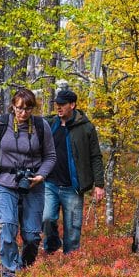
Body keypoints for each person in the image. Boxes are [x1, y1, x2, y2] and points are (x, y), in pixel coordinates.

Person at [0, 88, 57, 277]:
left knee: (31, 237)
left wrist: (41, 176)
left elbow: (50, 156)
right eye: (19, 108)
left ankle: (25, 268)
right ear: (13, 106)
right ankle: (10, 273)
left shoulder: (41, 126)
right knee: (7, 227)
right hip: (5, 185)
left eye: (28, 109)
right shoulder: (2, 123)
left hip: (33, 187)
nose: (23, 113)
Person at [43, 89, 105, 254]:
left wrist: (99, 184)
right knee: (47, 219)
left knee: (72, 230)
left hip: (73, 187)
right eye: (57, 104)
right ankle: (51, 251)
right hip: (50, 184)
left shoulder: (86, 128)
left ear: (72, 105)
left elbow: (96, 156)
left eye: (62, 104)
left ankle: (70, 262)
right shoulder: (49, 124)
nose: (59, 107)